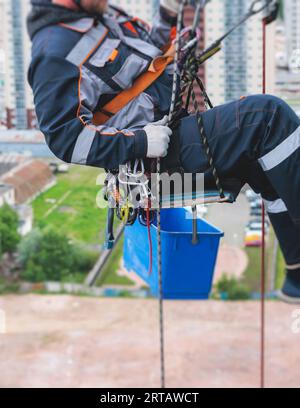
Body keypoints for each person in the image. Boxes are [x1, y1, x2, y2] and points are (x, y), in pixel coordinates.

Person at [27, 0, 300, 303]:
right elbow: (65, 138)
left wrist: (168, 15)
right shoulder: (53, 51)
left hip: (170, 133)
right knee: (266, 117)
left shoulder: (101, 15)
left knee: (264, 164)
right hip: (153, 160)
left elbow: (148, 56)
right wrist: (140, 142)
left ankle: (297, 276)